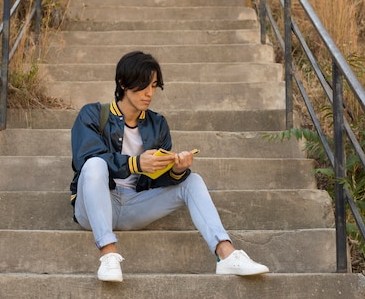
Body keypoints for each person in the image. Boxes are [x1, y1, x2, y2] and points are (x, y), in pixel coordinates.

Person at [70, 50, 269, 282]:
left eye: (154, 86)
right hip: (93, 206)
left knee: (192, 180)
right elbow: (84, 160)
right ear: (123, 83)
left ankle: (226, 254)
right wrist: (135, 163)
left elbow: (156, 182)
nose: (149, 93)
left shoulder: (158, 124)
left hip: (135, 205)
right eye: (143, 85)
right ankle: (108, 255)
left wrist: (176, 171)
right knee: (94, 164)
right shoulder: (92, 114)